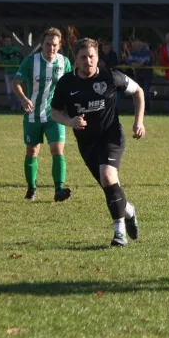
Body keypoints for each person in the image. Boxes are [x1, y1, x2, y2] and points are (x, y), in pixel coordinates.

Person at [51, 38, 146, 247]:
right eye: (83, 57)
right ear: (75, 59)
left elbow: (138, 91)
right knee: (109, 186)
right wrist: (70, 121)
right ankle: (129, 211)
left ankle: (119, 232)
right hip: (87, 144)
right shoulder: (67, 83)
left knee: (107, 176)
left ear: (97, 57)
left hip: (111, 135)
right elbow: (55, 112)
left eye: (91, 56)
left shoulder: (110, 77)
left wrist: (139, 122)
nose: (88, 61)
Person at [12, 27, 72, 202]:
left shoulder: (64, 63)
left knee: (57, 149)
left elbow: (70, 86)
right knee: (32, 151)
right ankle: (31, 188)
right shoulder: (31, 61)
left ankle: (59, 189)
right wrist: (23, 99)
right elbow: (16, 82)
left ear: (59, 46)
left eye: (54, 45)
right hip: (33, 114)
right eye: (47, 44)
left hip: (55, 114)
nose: (50, 48)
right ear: (42, 45)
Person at [128, 38, 154, 112]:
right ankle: (139, 109)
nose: (134, 47)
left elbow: (144, 63)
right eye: (133, 45)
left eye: (135, 45)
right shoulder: (133, 51)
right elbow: (130, 62)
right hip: (138, 75)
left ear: (139, 44)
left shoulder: (146, 51)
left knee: (145, 93)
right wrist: (138, 65)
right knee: (138, 93)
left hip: (147, 75)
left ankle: (146, 109)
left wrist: (136, 64)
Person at [0, 35, 23, 111]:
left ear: (11, 42)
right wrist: (9, 61)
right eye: (6, 41)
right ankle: (13, 105)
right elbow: (2, 62)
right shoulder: (2, 50)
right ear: (4, 42)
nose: (8, 43)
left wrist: (7, 61)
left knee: (17, 89)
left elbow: (16, 61)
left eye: (9, 41)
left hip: (16, 72)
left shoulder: (16, 49)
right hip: (7, 73)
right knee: (9, 90)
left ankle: (19, 106)